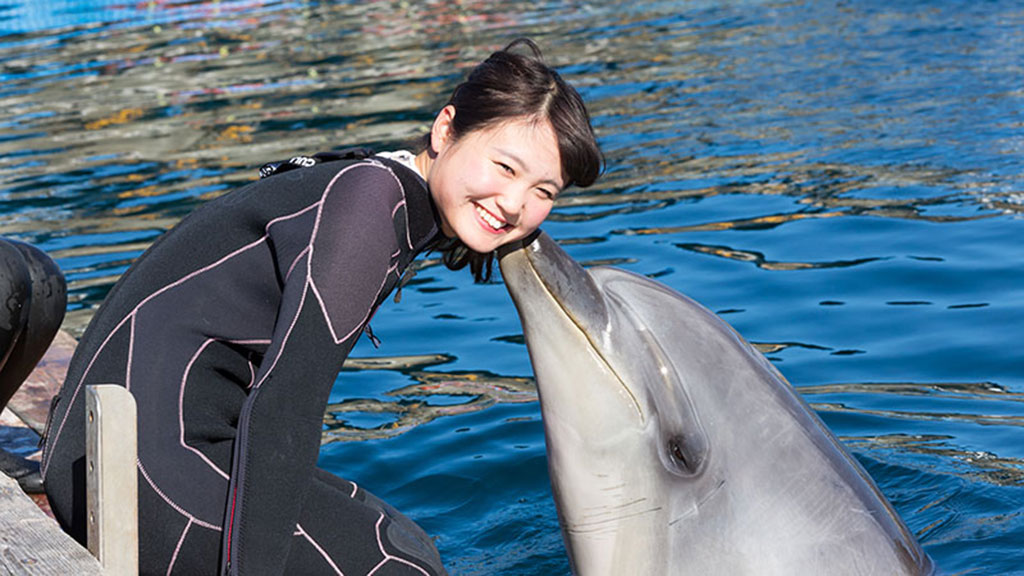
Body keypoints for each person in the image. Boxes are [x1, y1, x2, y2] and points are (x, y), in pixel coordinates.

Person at [40, 38, 602, 575]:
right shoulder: (367, 205)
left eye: (543, 192)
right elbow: (284, 409)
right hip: (131, 474)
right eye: (505, 167)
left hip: (121, 447)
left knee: (406, 543)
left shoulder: (380, 186)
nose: (514, 204)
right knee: (400, 567)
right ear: (446, 128)